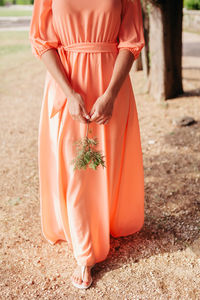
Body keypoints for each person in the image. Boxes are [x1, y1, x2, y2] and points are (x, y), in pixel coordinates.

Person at [29, 0, 145, 289]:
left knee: (105, 162)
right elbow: (43, 42)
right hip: (67, 86)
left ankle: (104, 222)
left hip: (111, 85)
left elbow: (131, 43)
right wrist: (69, 93)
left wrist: (110, 94)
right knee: (76, 169)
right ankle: (85, 251)